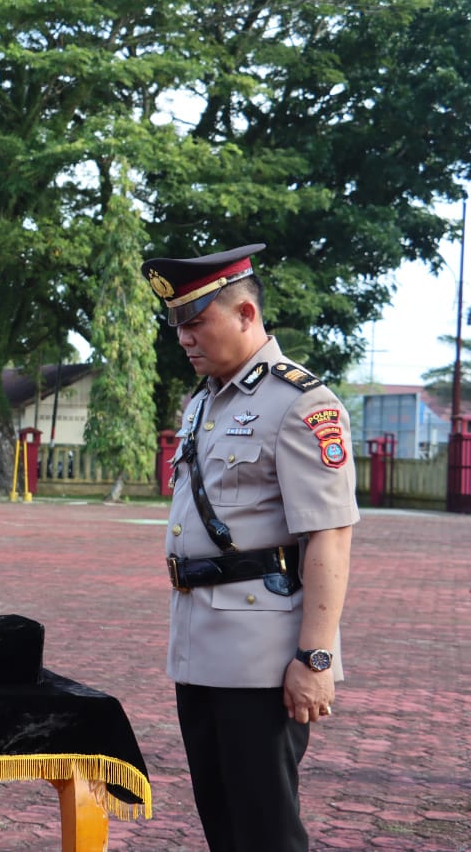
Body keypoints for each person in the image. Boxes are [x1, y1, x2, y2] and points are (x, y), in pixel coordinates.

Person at [141, 244, 358, 851]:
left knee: (266, 831)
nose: (184, 338)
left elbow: (329, 536)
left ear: (245, 313)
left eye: (195, 321)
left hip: (264, 658)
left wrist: (315, 659)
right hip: (200, 644)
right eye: (177, 325)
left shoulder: (301, 402)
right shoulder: (204, 402)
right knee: (224, 824)